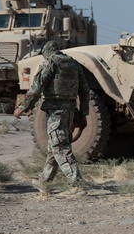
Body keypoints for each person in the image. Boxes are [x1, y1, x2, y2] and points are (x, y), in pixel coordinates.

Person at [14, 41, 90, 193]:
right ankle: (45, 180)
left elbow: (37, 87)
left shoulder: (51, 63)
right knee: (54, 147)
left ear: (46, 52)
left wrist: (23, 107)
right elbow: (85, 90)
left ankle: (77, 183)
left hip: (56, 112)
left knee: (60, 148)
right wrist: (83, 113)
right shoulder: (74, 64)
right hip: (70, 111)